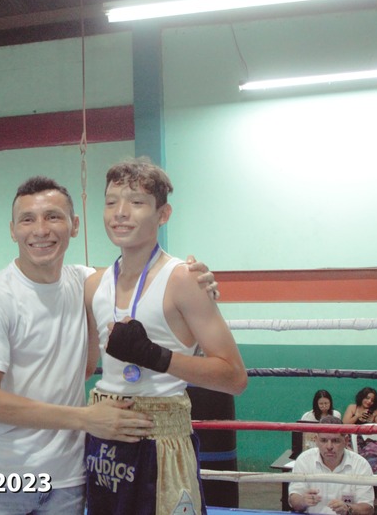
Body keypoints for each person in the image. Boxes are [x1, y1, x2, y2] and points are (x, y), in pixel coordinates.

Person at [0, 175, 218, 514]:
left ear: (74, 225)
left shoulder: (86, 283)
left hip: (69, 477)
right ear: (13, 230)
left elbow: (141, 274)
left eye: (53, 216)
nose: (40, 229)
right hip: (3, 475)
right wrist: (85, 418)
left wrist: (196, 280)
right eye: (28, 219)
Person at [83, 158, 248, 515]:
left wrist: (157, 356)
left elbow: (234, 378)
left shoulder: (183, 279)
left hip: (161, 441)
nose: (121, 213)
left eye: (137, 202)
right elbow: (84, 368)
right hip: (103, 439)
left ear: (163, 214)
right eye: (111, 202)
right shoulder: (93, 283)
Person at [288, 415, 374, 515]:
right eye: (323, 440)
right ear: (316, 440)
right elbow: (294, 499)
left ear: (345, 441)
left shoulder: (360, 464)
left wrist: (348, 509)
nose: (329, 446)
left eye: (335, 441)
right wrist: (302, 501)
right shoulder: (304, 460)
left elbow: (368, 509)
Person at [343, 387, 377, 474]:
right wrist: (357, 416)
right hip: (351, 441)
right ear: (361, 397)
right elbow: (344, 424)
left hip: (369, 441)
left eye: (372, 400)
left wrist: (370, 422)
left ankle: (368, 472)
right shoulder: (352, 407)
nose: (369, 401)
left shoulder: (376, 412)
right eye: (367, 398)